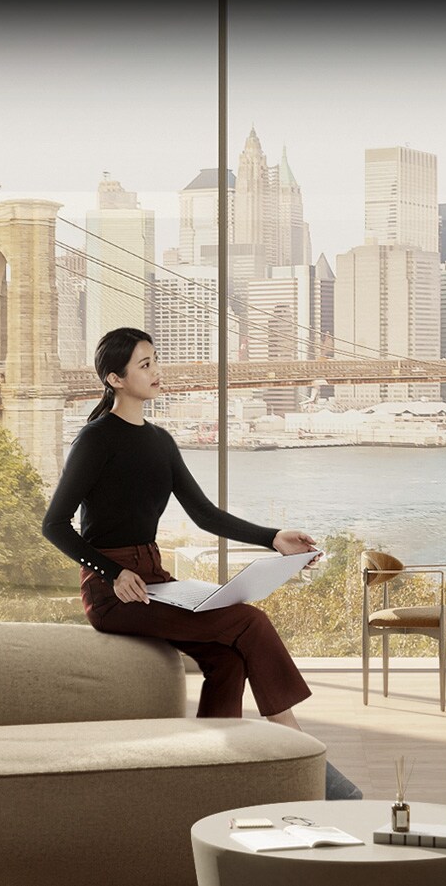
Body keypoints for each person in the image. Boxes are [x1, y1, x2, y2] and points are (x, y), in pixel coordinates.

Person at [41, 327, 364, 798]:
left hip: (155, 580)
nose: (156, 372)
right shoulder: (95, 440)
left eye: (155, 361)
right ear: (115, 378)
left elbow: (204, 514)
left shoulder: (160, 441)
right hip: (113, 592)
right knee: (250, 624)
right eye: (144, 365)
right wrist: (113, 573)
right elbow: (54, 524)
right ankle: (302, 752)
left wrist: (274, 539)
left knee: (228, 657)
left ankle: (213, 770)